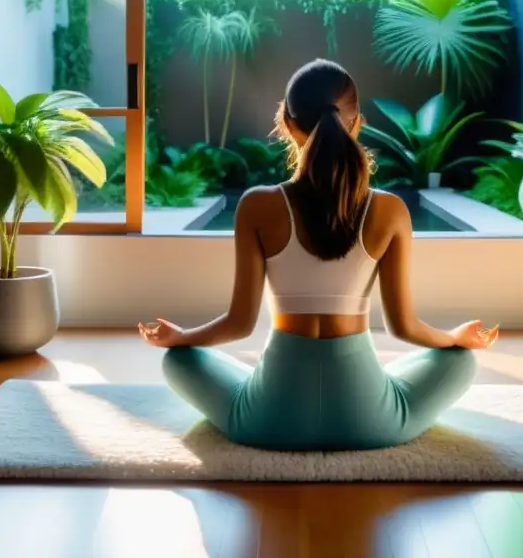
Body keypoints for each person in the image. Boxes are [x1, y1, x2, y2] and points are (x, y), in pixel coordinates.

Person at [139, 59, 498, 451]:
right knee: (461, 360)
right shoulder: (391, 210)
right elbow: (404, 327)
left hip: (268, 421)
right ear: (357, 123)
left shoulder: (257, 206)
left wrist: (182, 337)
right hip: (371, 422)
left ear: (288, 125)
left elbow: (239, 324)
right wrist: (454, 337)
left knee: (177, 360)